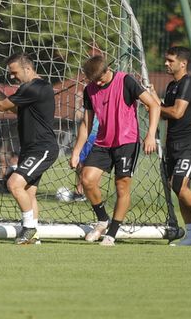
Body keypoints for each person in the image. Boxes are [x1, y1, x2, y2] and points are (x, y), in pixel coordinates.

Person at [69, 55, 161, 246]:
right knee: (87, 179)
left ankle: (112, 233)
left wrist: (151, 134)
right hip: (102, 143)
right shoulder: (90, 90)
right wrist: (77, 151)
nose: (98, 83)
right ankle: (103, 220)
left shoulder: (126, 80)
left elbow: (153, 105)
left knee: (121, 186)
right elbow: (87, 123)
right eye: (94, 81)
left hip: (126, 142)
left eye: (100, 79)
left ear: (107, 70)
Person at [0, 53, 58, 245]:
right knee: (28, 193)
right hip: (31, 149)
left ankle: (28, 228)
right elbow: (13, 108)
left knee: (13, 184)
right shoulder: (33, 88)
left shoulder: (33, 88)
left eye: (14, 72)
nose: (12, 76)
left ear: (27, 69)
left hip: (42, 148)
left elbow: (3, 106)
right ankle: (33, 236)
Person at [151, 46, 191, 245]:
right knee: (179, 188)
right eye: (166, 60)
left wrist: (155, 106)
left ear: (183, 63)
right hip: (173, 144)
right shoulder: (171, 86)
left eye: (170, 60)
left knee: (178, 183)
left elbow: (176, 113)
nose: (166, 63)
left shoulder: (188, 84)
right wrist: (152, 99)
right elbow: (163, 111)